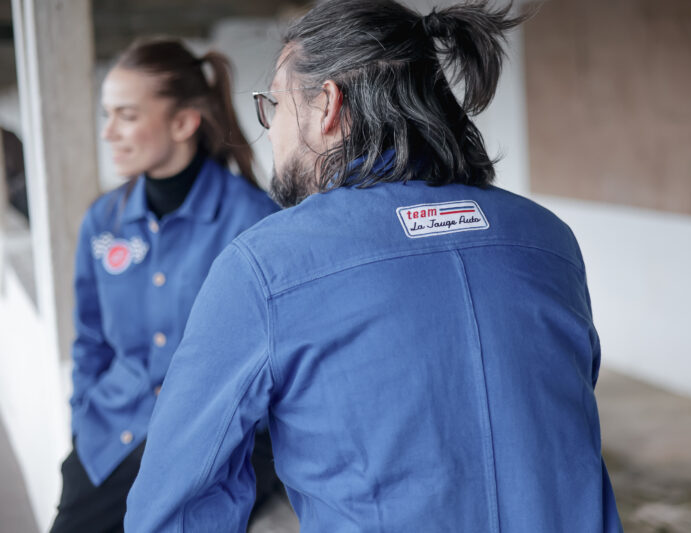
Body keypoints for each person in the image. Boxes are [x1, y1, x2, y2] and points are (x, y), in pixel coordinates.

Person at [126, 1, 623, 531]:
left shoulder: (265, 268)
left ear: (328, 107)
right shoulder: (549, 240)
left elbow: (173, 507)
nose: (270, 131)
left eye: (274, 105)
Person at [50, 38, 281, 533]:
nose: (108, 132)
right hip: (107, 439)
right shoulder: (103, 219)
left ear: (183, 123)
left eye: (127, 116)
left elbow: (277, 358)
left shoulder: (255, 222)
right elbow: (90, 341)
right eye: (107, 114)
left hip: (211, 448)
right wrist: (82, 417)